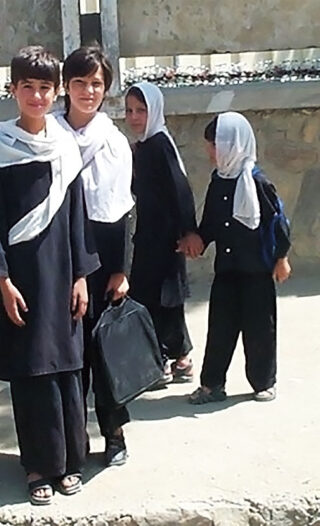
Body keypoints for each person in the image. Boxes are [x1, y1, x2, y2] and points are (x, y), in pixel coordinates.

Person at [0, 45, 99, 504]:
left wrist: (83, 274)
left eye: (45, 87)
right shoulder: (0, 150)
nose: (37, 96)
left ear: (56, 91)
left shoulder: (65, 146)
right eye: (27, 87)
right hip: (21, 280)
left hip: (62, 274)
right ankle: (36, 468)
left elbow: (77, 217)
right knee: (32, 373)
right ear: (13, 90)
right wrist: (1, 279)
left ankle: (69, 462)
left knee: (66, 367)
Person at [56, 46, 134, 467]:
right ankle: (70, 438)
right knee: (66, 354)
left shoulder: (114, 143)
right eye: (80, 82)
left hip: (101, 258)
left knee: (102, 351)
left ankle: (114, 432)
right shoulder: (45, 135)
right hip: (55, 258)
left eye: (97, 84)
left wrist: (121, 270)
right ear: (65, 86)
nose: (88, 91)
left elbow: (121, 209)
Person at [179, 112, 291, 405]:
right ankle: (212, 384)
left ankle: (264, 381)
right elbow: (213, 221)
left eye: (215, 144)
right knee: (220, 328)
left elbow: (278, 222)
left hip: (257, 271)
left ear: (233, 143)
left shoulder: (257, 182)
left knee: (259, 330)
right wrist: (199, 240)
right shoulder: (220, 180)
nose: (210, 151)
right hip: (227, 270)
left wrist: (281, 258)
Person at [125, 82, 198, 384]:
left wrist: (188, 231)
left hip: (165, 239)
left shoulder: (158, 144)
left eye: (141, 110)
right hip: (151, 235)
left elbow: (180, 190)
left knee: (158, 299)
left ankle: (162, 363)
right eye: (129, 110)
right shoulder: (145, 144)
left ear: (155, 111)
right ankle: (180, 358)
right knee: (158, 298)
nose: (134, 117)